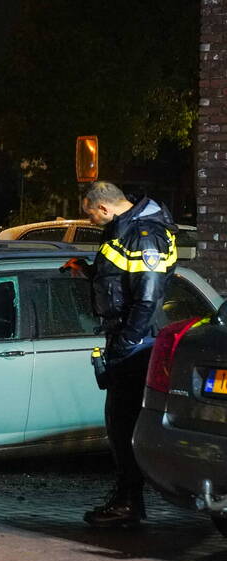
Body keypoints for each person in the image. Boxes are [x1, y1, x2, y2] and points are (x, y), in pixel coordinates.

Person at [65, 181, 177, 527]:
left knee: (122, 423)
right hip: (129, 338)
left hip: (138, 342)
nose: (90, 220)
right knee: (119, 422)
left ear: (103, 208)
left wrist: (127, 341)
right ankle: (128, 499)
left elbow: (148, 298)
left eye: (89, 214)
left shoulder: (144, 236)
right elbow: (122, 279)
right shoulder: (124, 230)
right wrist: (86, 270)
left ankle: (129, 503)